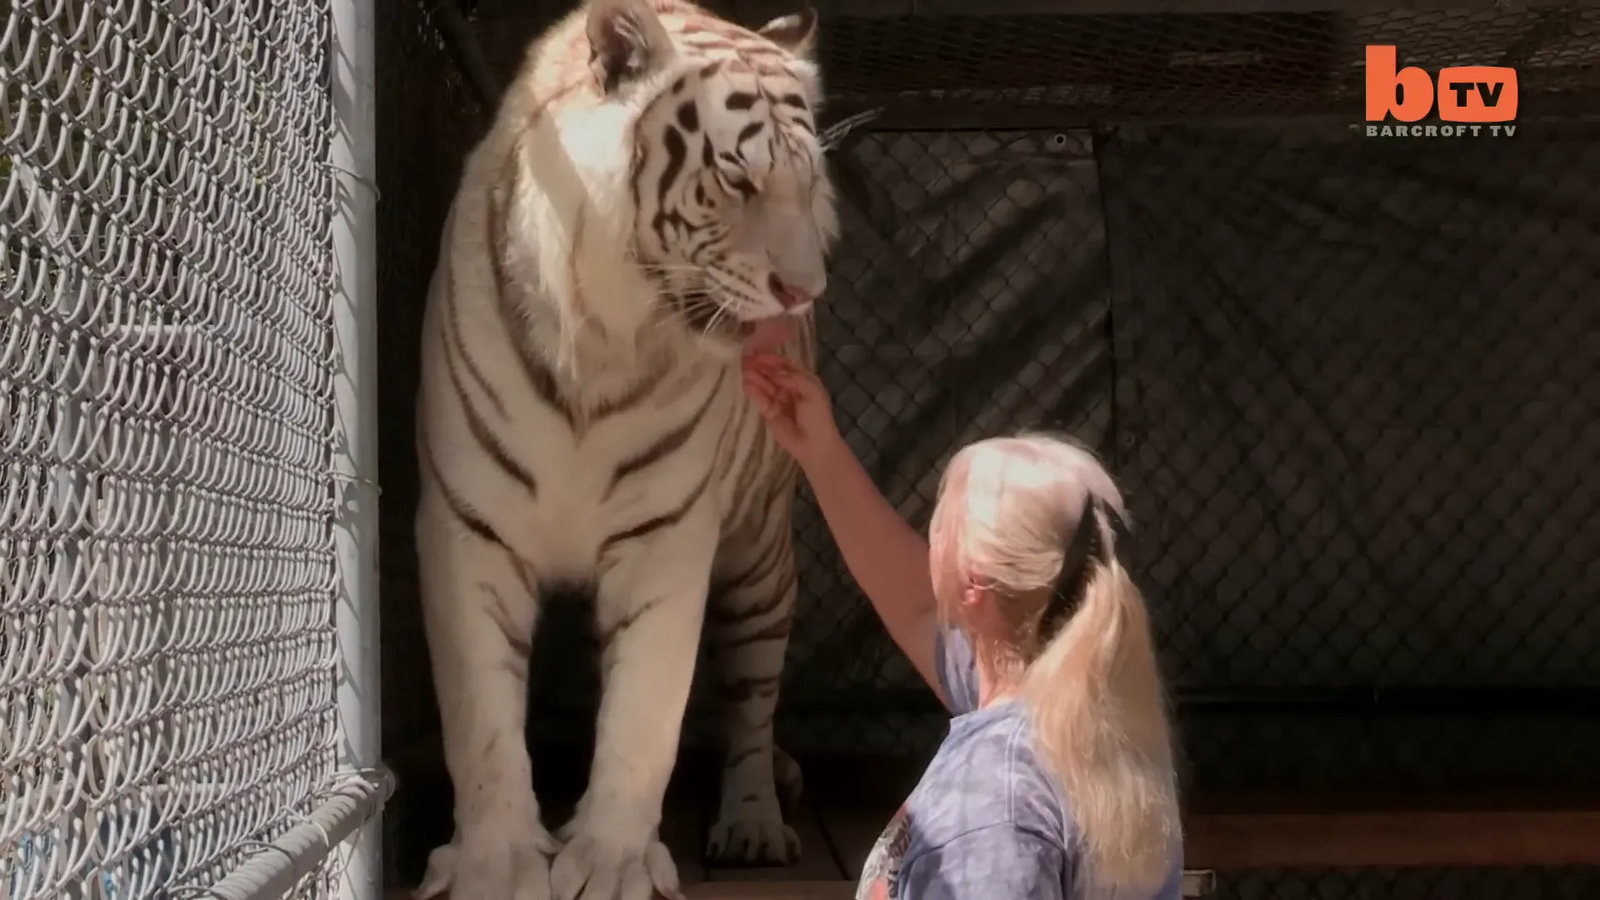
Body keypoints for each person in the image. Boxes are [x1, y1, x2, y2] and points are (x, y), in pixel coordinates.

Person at [740, 353, 1185, 900]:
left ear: (972, 585)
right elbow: (913, 604)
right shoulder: (1090, 720)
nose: (929, 538)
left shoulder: (994, 799)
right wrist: (821, 450)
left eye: (940, 520)